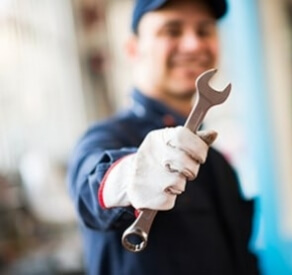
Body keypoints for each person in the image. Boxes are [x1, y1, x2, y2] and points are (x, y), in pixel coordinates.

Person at [67, 0, 260, 274]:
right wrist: (129, 177)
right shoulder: (105, 137)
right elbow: (90, 184)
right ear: (133, 49)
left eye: (204, 31)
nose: (193, 45)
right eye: (172, 30)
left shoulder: (218, 164)